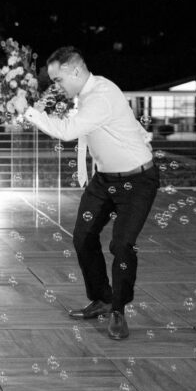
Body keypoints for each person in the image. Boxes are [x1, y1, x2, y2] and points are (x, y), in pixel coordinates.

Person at [19, 46, 157, 340]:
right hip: (105, 180)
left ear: (76, 71)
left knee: (121, 246)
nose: (56, 86)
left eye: (58, 80)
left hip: (137, 181)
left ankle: (118, 310)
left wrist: (28, 111)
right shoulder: (84, 96)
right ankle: (102, 298)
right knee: (83, 236)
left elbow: (69, 131)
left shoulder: (102, 96)